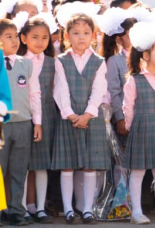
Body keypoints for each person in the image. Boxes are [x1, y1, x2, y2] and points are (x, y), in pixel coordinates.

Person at [52, 12, 110, 224]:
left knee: (90, 164)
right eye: (75, 33)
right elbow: (60, 88)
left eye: (86, 33)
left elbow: (99, 89)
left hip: (90, 118)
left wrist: (88, 113)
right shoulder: (60, 61)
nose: (81, 37)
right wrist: (69, 113)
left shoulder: (98, 61)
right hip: (69, 117)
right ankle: (68, 209)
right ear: (66, 36)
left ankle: (87, 209)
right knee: (67, 164)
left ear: (94, 35)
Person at [122, 21, 155, 224]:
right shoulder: (135, 80)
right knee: (138, 171)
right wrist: (130, 127)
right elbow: (128, 107)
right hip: (141, 128)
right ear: (145, 55)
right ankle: (136, 211)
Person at [0, 19, 42, 226]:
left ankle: (17, 210)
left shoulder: (26, 63)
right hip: (2, 126)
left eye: (16, 36)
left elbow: (34, 94)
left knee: (19, 170)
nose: (14, 40)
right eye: (8, 37)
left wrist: (38, 122)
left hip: (24, 122)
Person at [18, 16, 56, 224]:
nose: (40, 42)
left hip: (47, 116)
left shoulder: (52, 62)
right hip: (23, 115)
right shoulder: (17, 61)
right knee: (23, 165)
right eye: (34, 37)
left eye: (44, 37)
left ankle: (40, 208)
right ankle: (22, 207)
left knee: (41, 164)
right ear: (23, 38)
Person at [97, 11, 136, 148]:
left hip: (142, 116)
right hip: (125, 117)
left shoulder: (146, 57)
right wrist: (120, 117)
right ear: (119, 40)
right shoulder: (114, 61)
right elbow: (114, 91)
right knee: (125, 155)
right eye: (130, 36)